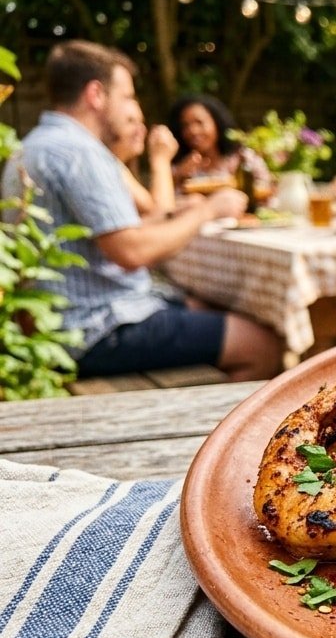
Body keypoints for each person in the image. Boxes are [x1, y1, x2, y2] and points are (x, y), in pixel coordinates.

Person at [0, 39, 281, 382]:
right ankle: (210, 433)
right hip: (94, 327)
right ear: (96, 95)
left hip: (70, 316)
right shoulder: (78, 151)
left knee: (225, 310)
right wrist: (206, 211)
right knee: (263, 345)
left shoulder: (35, 144)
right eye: (128, 96)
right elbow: (132, 251)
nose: (133, 108)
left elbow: (118, 232)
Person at [167, 93, 270, 192]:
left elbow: (266, 187)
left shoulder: (242, 157)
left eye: (199, 122)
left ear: (217, 123)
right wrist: (179, 176)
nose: (193, 131)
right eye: (185, 126)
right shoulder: (177, 167)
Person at [108, 101, 179, 219]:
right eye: (130, 121)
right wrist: (161, 160)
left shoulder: (119, 165)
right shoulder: (109, 165)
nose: (141, 130)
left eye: (141, 122)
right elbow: (161, 216)